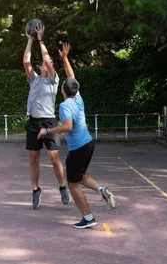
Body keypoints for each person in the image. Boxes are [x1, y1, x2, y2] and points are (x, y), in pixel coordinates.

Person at [38, 42, 116, 229]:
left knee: (73, 184)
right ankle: (101, 189)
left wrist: (47, 130)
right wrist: (65, 58)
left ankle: (88, 218)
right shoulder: (77, 97)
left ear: (63, 91)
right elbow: (72, 77)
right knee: (79, 176)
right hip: (88, 143)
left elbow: (67, 127)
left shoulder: (65, 106)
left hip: (78, 148)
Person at [22, 23, 69, 209]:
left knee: (53, 158)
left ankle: (62, 186)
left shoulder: (52, 80)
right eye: (41, 63)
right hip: (33, 122)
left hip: (48, 120)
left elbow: (48, 61)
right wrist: (30, 39)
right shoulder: (33, 80)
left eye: (45, 64)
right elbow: (26, 61)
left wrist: (41, 40)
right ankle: (35, 190)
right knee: (33, 159)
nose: (43, 63)